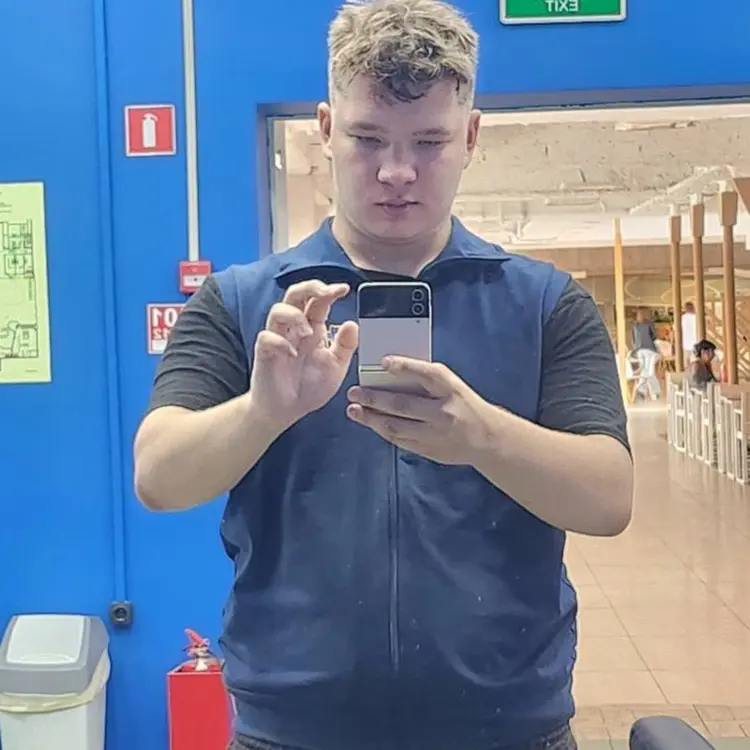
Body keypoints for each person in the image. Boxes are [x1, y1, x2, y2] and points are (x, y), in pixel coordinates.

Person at [133, 2, 634, 749]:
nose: (397, 172)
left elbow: (609, 497)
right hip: (290, 733)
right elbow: (158, 477)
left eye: (429, 142)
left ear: (470, 137)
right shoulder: (244, 305)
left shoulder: (544, 305)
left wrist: (482, 437)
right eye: (368, 138)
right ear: (326, 128)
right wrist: (263, 412)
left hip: (510, 731)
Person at [632, 308, 661, 401]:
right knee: (646, 371)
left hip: (650, 350)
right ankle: (651, 393)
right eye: (639, 314)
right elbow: (634, 339)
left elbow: (654, 337)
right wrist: (634, 350)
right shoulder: (635, 326)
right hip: (640, 351)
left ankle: (645, 392)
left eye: (641, 314)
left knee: (649, 371)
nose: (640, 316)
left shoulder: (649, 324)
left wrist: (659, 349)